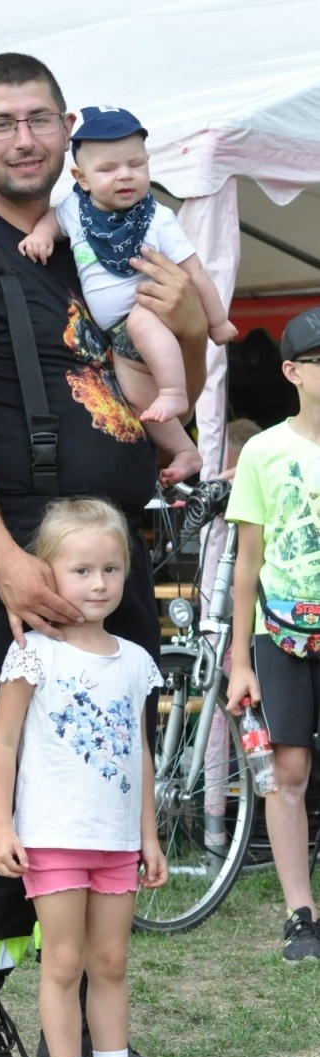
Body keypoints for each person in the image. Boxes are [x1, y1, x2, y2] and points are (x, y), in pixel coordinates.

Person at [0, 51, 209, 1057]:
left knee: (91, 784)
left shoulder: (89, 238)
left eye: (39, 119)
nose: (23, 139)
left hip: (103, 567)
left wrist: (188, 319)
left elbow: (166, 394)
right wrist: (0, 560)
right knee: (5, 781)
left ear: (68, 127)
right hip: (21, 566)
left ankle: (72, 1045)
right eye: (1, 123)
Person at [0, 498, 170, 1057]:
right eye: (82, 570)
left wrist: (147, 835)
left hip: (116, 840)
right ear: (48, 573)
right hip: (53, 839)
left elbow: (140, 755)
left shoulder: (136, 662)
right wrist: (3, 825)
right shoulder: (35, 653)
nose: (99, 584)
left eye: (111, 570)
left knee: (111, 961)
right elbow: (2, 742)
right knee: (63, 963)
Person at [18, 106, 233, 486]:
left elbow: (195, 270)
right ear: (81, 178)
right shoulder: (75, 211)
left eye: (136, 165)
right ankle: (185, 450)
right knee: (135, 398)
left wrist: (216, 322)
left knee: (141, 320)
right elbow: (52, 220)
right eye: (108, 169)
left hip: (150, 312)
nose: (125, 176)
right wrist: (40, 234)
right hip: (120, 342)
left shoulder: (157, 219)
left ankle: (173, 391)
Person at [225, 308, 320, 962]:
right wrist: (238, 660)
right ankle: (299, 913)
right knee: (287, 770)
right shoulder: (263, 450)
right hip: (279, 631)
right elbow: (246, 563)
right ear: (290, 371)